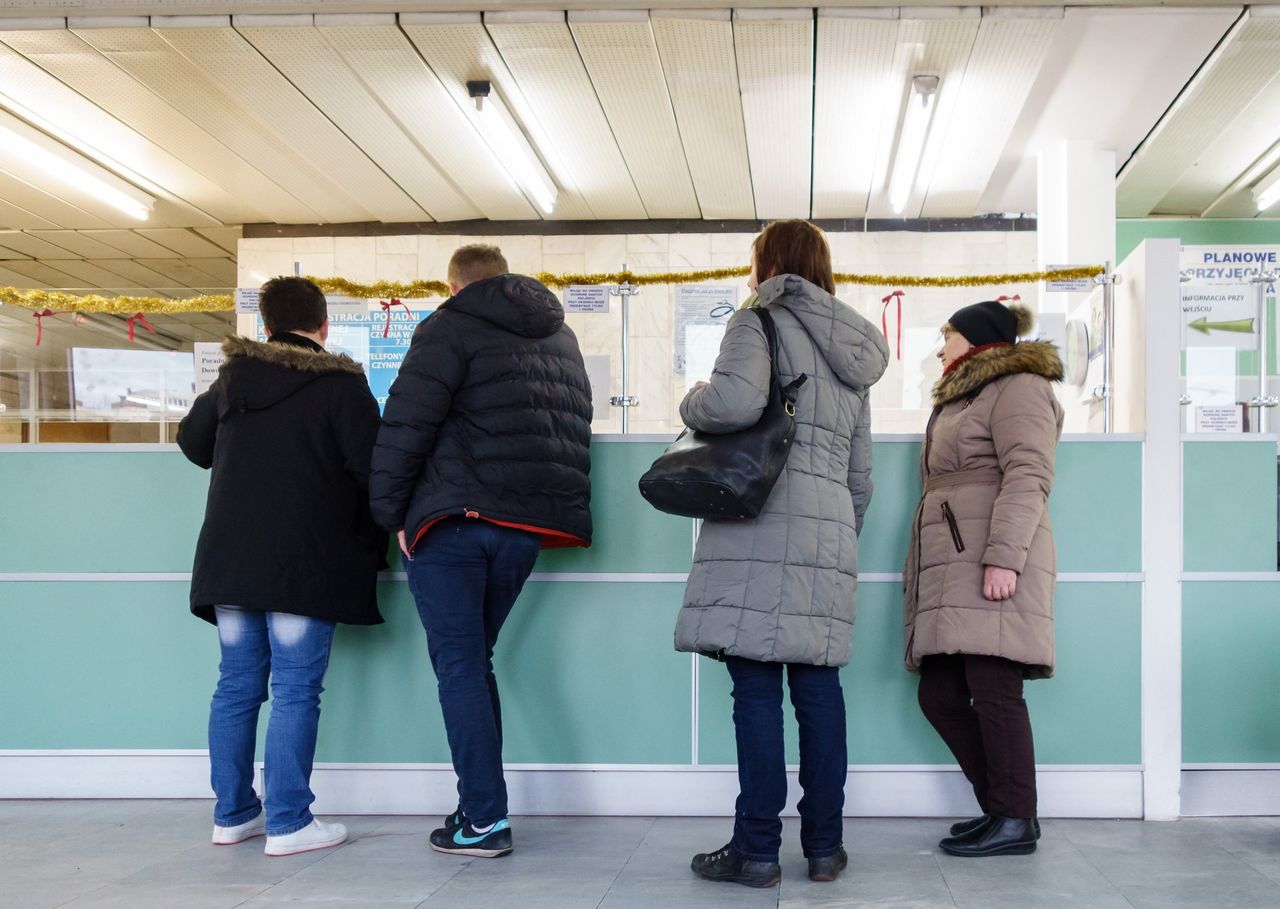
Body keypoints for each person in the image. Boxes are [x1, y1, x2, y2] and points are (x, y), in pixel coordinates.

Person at [674, 220, 888, 887]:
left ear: (767, 263)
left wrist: (690, 399)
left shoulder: (758, 320)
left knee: (757, 691)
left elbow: (733, 402)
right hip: (828, 530)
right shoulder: (851, 349)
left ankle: (757, 848)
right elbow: (861, 476)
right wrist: (835, 533)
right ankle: (825, 845)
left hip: (758, 526)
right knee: (819, 689)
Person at [369, 244, 592, 859]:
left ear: (455, 284)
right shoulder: (559, 337)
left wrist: (391, 517)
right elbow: (572, 430)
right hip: (523, 530)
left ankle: (486, 819)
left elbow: (406, 423)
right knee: (475, 662)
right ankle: (478, 804)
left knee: (461, 667)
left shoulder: (448, 326)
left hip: (453, 524)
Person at [178, 276, 384, 857]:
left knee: (238, 685)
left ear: (265, 325)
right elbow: (373, 468)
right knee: (295, 688)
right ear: (324, 326)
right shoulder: (341, 384)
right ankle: (290, 821)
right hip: (304, 561)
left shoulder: (231, 378)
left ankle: (234, 813)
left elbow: (193, 445)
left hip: (230, 557)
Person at [904, 300, 1064, 857]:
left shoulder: (1018, 386)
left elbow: (1029, 474)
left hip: (989, 554)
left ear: (973, 338)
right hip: (957, 555)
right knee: (941, 692)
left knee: (995, 689)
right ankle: (1003, 809)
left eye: (945, 334)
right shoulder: (970, 391)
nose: (939, 345)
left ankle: (1016, 817)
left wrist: (1004, 557)